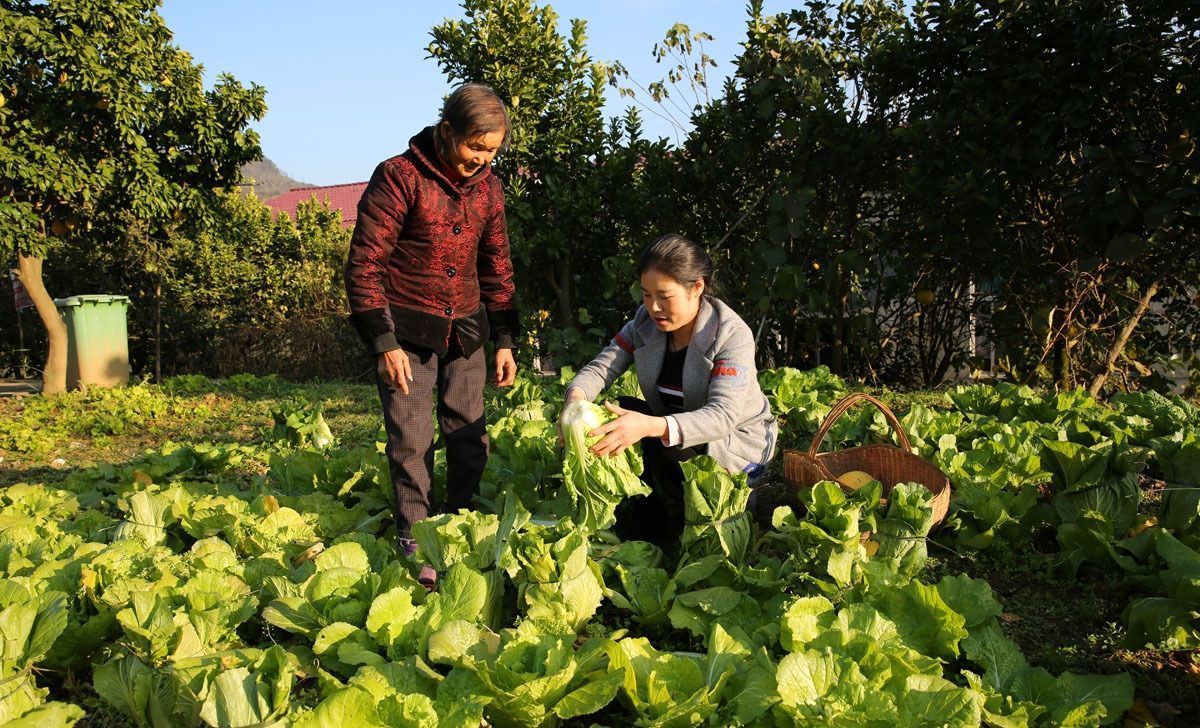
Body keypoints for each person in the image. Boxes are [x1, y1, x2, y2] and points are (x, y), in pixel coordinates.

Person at [345, 83, 519, 586]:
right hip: (408, 334)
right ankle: (417, 543)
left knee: (470, 440)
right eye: (475, 148)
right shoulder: (399, 177)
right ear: (447, 132)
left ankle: (458, 527)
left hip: (466, 330)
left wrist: (504, 337)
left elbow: (497, 264)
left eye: (492, 152)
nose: (483, 160)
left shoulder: (488, 187)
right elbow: (365, 264)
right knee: (411, 442)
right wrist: (384, 342)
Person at [563, 234, 778, 545]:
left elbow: (722, 416)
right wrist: (574, 402)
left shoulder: (731, 334)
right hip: (675, 429)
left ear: (697, 288)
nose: (653, 307)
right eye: (647, 295)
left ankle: (676, 525)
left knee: (658, 444)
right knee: (622, 411)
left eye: (664, 296)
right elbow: (601, 367)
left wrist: (649, 426)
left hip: (733, 442)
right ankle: (647, 513)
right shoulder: (643, 323)